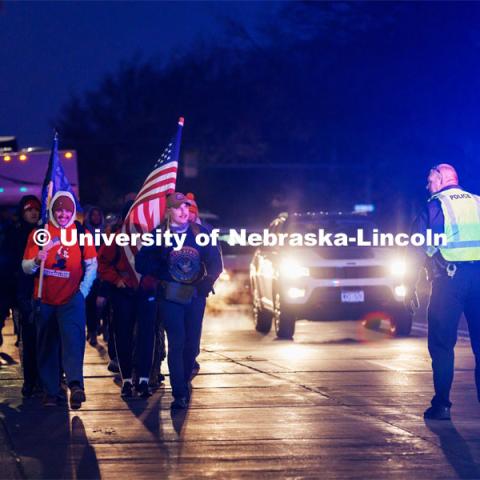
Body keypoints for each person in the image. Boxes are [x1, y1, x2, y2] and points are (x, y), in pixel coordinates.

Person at [135, 192, 222, 409]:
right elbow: (140, 263)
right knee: (177, 342)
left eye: (186, 207)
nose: (184, 211)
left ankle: (183, 380)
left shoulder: (200, 233)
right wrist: (160, 264)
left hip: (194, 295)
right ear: (169, 211)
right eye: (178, 207)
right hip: (171, 296)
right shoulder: (158, 235)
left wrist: (208, 280)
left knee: (192, 346)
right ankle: (179, 392)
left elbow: (215, 262)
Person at [407, 164, 480, 420]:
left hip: (450, 280)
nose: (427, 187)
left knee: (441, 345)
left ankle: (442, 405)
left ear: (440, 179)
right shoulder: (477, 202)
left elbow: (418, 248)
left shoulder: (436, 206)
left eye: (429, 181)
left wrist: (409, 285)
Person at [22, 191, 97, 408]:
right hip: (44, 299)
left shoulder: (81, 232)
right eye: (59, 209)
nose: (63, 214)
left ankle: (75, 386)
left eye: (67, 209)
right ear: (53, 211)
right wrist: (37, 259)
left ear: (73, 211)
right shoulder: (41, 232)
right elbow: (25, 267)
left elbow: (92, 264)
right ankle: (51, 391)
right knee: (47, 344)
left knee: (73, 342)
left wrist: (82, 291)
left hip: (72, 299)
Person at [97, 200, 156, 399]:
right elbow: (102, 263)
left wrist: (150, 279)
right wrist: (117, 279)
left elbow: (160, 262)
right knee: (123, 335)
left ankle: (144, 380)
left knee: (147, 336)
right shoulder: (116, 237)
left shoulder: (151, 237)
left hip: (146, 292)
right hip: (123, 293)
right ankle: (127, 381)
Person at [3, 196, 41, 396]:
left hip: (46, 293)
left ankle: (49, 379)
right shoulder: (15, 234)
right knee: (29, 337)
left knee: (48, 338)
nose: (33, 213)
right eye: (29, 210)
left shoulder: (45, 232)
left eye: (36, 209)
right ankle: (30, 379)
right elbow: (8, 264)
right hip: (24, 294)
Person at [84, 205, 105, 346]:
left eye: (98, 215)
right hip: (89, 274)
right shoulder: (84, 233)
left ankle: (102, 327)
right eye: (93, 215)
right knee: (90, 304)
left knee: (102, 305)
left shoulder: (105, 233)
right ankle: (92, 331)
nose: (95, 217)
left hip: (102, 274)